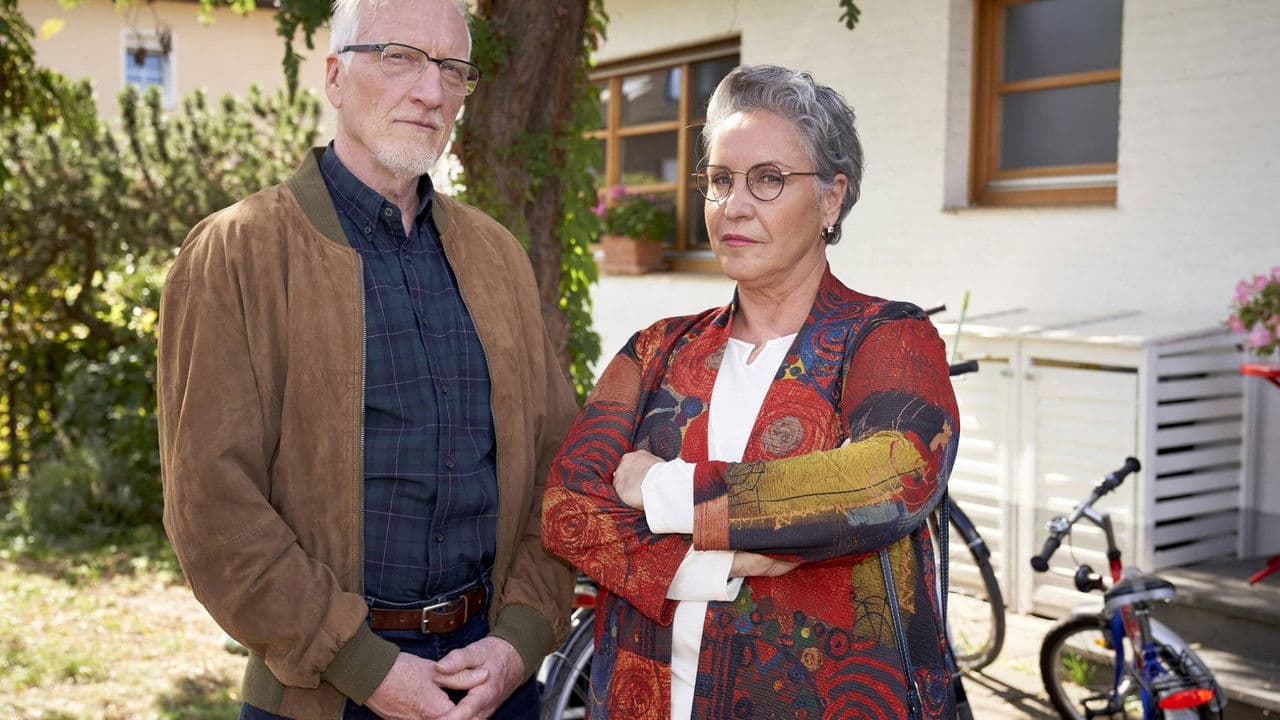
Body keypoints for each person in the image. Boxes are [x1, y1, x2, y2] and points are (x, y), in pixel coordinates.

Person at [156, 0, 577, 717]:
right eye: (399, 57)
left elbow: (559, 464)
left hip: (493, 680)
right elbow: (211, 503)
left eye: (453, 69)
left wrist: (521, 638)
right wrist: (364, 665)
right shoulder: (238, 252)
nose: (431, 92)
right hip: (324, 690)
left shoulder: (498, 257)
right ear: (335, 77)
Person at [542, 64, 961, 720]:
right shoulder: (657, 349)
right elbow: (569, 505)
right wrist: (718, 563)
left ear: (830, 199)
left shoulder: (887, 338)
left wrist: (664, 490)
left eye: (768, 179)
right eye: (720, 180)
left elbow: (889, 478)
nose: (734, 205)